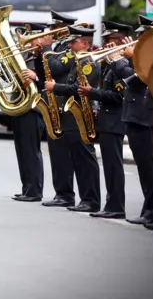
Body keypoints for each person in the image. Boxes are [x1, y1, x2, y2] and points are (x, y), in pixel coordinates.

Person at [45, 25, 102, 213]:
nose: (70, 46)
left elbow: (78, 88)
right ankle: (82, 198)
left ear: (85, 43)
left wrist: (56, 88)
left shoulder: (88, 63)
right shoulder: (78, 61)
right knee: (77, 159)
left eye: (74, 42)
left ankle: (91, 199)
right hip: (72, 117)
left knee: (85, 159)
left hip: (82, 117)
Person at [80, 20, 131, 219]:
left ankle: (116, 206)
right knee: (109, 166)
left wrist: (93, 93)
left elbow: (119, 97)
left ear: (119, 41)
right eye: (107, 41)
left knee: (113, 166)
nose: (107, 45)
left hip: (115, 121)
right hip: (108, 120)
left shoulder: (122, 64)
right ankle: (111, 205)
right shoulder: (111, 63)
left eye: (110, 41)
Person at [113, 15, 153, 229]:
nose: (138, 39)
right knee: (145, 168)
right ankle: (148, 210)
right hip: (136, 115)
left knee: (150, 168)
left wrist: (129, 58)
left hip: (146, 116)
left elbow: (142, 76)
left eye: (142, 36)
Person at [37, 11, 78, 208]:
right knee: (55, 149)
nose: (50, 32)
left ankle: (66, 194)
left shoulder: (70, 49)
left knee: (62, 151)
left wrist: (45, 47)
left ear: (63, 30)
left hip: (64, 104)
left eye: (54, 28)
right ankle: (60, 192)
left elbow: (54, 68)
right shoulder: (56, 48)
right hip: (54, 102)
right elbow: (43, 71)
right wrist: (39, 52)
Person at [10, 23, 47, 202]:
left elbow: (50, 80)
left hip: (34, 107)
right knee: (22, 149)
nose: (27, 42)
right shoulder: (23, 55)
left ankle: (34, 190)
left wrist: (36, 77)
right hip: (20, 106)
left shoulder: (44, 57)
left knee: (31, 149)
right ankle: (27, 188)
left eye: (31, 38)